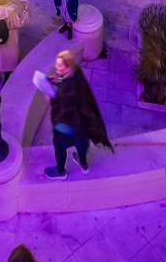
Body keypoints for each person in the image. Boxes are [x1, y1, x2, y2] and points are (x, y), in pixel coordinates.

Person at [35, 49, 111, 180]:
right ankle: (83, 165)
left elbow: (62, 108)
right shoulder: (77, 74)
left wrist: (50, 99)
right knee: (81, 144)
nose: (56, 67)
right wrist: (58, 80)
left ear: (68, 67)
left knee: (59, 146)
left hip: (67, 126)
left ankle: (60, 171)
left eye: (59, 66)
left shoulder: (66, 90)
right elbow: (68, 85)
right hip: (83, 124)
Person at [0, 0, 29, 86]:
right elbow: (18, 24)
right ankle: (7, 77)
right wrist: (25, 10)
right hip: (9, 39)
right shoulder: (11, 11)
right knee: (8, 57)